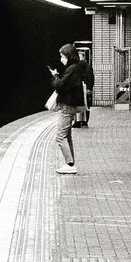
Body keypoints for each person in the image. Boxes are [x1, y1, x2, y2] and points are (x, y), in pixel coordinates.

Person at [48, 43, 86, 174]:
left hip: (67, 106)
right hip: (72, 106)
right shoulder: (76, 68)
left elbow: (60, 86)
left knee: (60, 136)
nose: (61, 59)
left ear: (69, 56)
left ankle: (70, 165)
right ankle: (70, 162)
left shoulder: (71, 70)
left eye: (63, 56)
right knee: (67, 136)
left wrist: (55, 76)